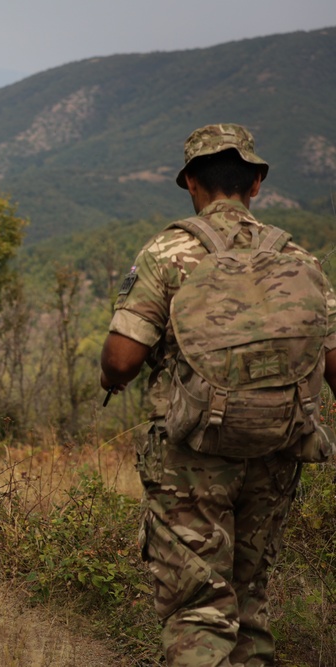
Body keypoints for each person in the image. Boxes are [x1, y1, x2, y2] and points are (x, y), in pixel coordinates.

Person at [100, 123, 336, 665]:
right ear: (256, 183)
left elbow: (121, 359)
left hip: (192, 457)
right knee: (250, 599)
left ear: (189, 184)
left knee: (199, 607)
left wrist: (111, 383)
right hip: (278, 451)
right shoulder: (301, 259)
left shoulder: (169, 251)